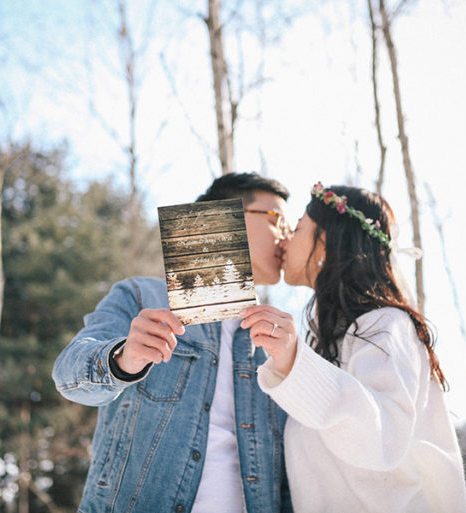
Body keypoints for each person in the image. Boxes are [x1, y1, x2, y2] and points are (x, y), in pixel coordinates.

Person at [52, 172, 294, 513]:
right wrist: (124, 359)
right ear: (228, 215)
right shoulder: (140, 296)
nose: (287, 236)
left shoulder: (279, 341)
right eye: (276, 220)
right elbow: (67, 376)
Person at [240, 182, 466, 513]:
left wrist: (294, 364)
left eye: (299, 227)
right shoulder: (328, 342)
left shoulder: (387, 325)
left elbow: (380, 440)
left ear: (326, 242)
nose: (286, 238)